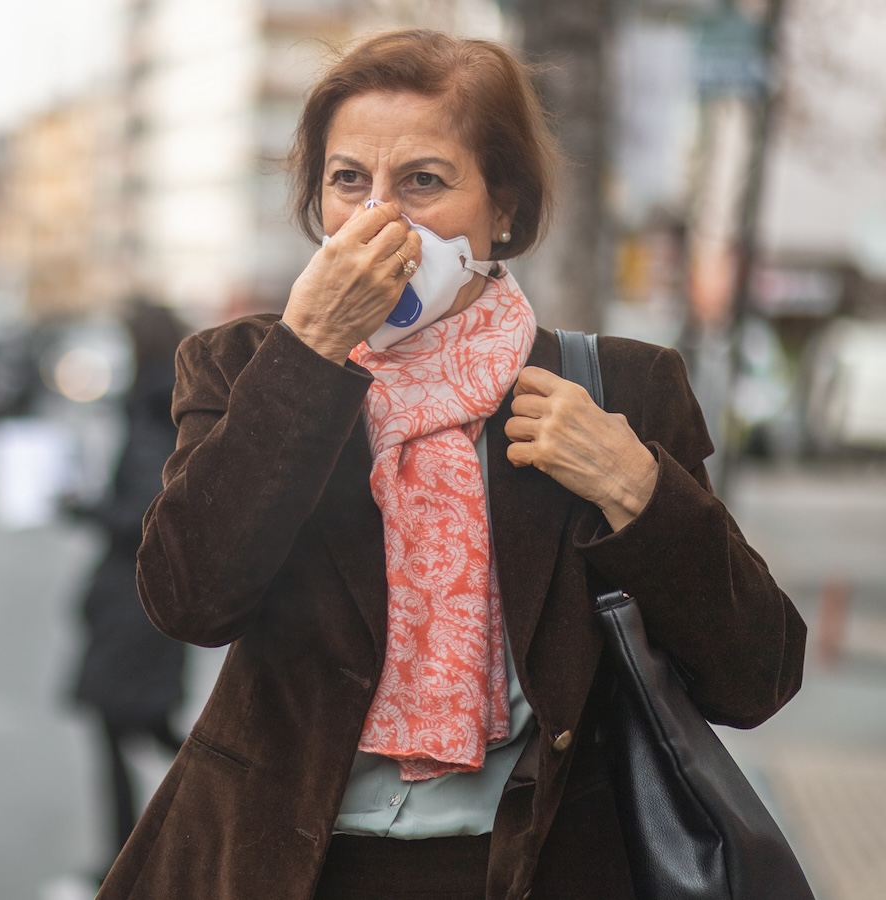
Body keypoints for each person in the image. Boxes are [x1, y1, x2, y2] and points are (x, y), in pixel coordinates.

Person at [98, 29, 806, 900]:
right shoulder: (247, 367)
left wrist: (638, 490)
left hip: (539, 868)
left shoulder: (619, 386)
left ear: (502, 209)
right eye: (347, 180)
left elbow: (757, 674)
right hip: (285, 868)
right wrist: (310, 351)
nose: (378, 218)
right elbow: (189, 599)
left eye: (423, 182)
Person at [65, 300, 189, 879]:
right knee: (140, 726)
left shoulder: (151, 407)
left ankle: (125, 860)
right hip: (141, 599)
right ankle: (131, 856)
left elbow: (145, 513)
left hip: (134, 601)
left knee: (123, 726)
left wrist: (82, 507)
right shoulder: (169, 400)